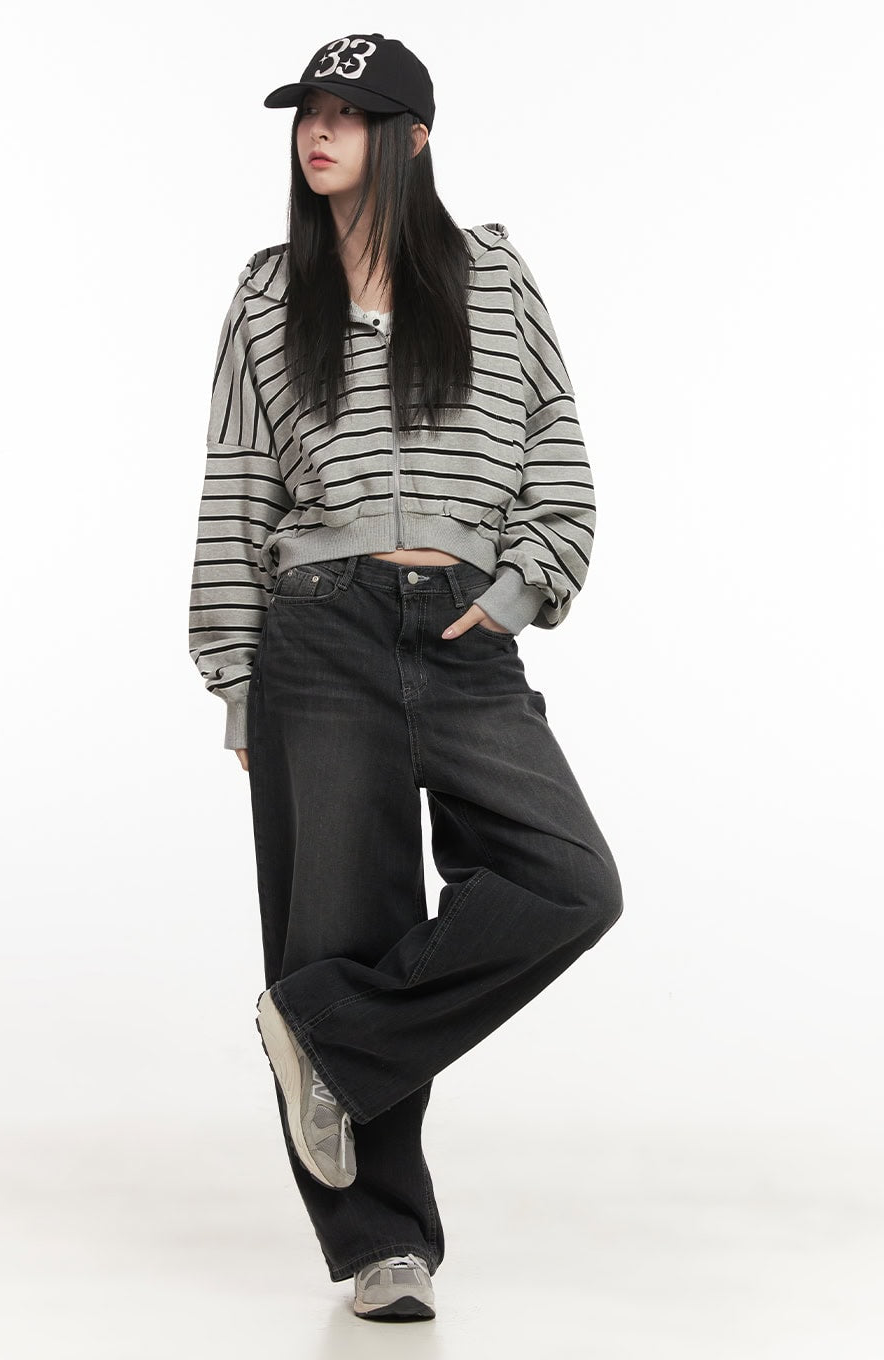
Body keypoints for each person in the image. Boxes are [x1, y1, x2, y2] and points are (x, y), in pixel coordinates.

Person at [188, 32, 624, 1322]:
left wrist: (524, 583)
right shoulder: (271, 294)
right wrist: (235, 674)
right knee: (340, 925)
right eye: (307, 112)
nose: (319, 132)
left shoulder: (491, 276)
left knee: (569, 882)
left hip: (467, 631)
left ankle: (327, 1034)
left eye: (351, 113)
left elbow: (556, 447)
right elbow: (236, 485)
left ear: (414, 136)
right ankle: (383, 1245)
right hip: (317, 631)